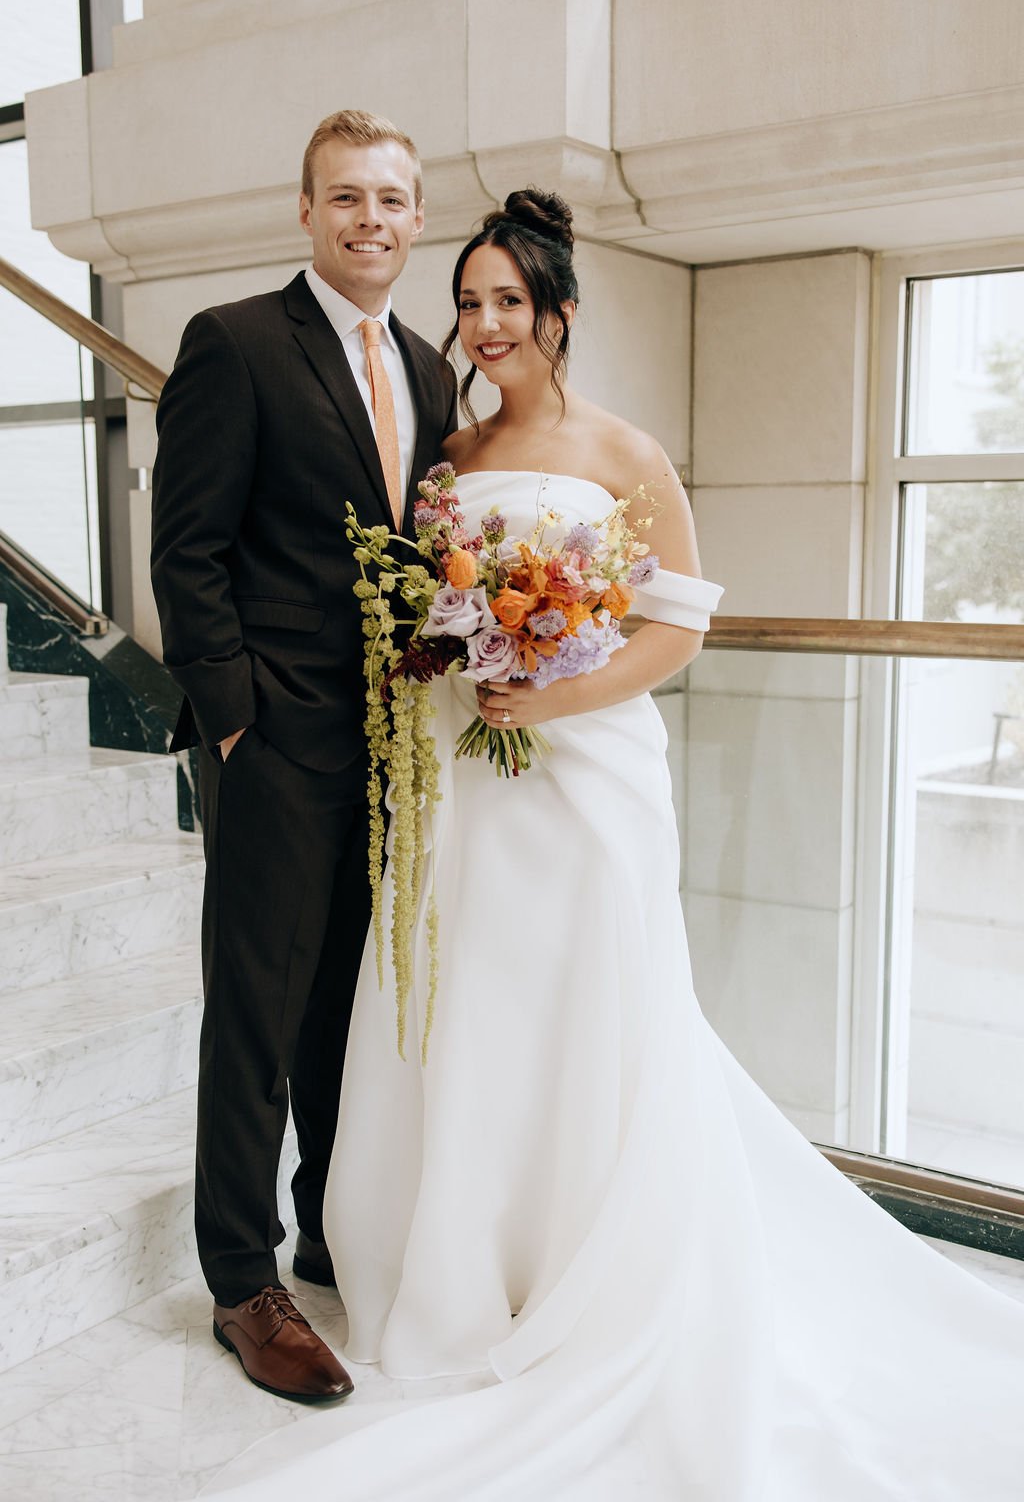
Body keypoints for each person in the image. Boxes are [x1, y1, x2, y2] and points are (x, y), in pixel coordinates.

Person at [207, 193, 1024, 1499]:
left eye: (507, 304)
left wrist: (553, 690)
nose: (482, 326)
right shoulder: (446, 457)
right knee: (468, 1003)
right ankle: (468, 1268)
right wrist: (442, 653)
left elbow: (680, 623)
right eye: (467, 304)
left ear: (559, 312)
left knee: (588, 1010)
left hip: (587, 779)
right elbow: (419, 613)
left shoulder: (625, 450)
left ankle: (591, 1267)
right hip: (466, 781)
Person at [150, 110, 457, 1405]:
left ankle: (332, 1228)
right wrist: (236, 723)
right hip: (273, 745)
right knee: (260, 1019)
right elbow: (189, 551)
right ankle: (241, 1278)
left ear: (415, 215)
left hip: (387, 751)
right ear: (306, 210)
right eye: (346, 199)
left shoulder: (434, 370)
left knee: (344, 1011)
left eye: (391, 200)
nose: (369, 221)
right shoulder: (235, 345)